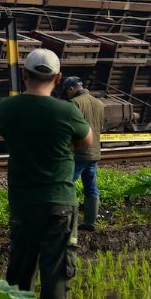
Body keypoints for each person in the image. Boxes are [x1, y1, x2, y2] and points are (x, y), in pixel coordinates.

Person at [0, 49, 92, 299]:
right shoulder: (66, 112)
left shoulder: (7, 108)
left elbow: (9, 135)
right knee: (56, 269)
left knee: (21, 268)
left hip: (23, 202)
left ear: (24, 75)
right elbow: (86, 141)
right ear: (58, 78)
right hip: (59, 202)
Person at [61, 77, 105, 231]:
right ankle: (90, 222)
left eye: (67, 92)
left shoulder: (75, 103)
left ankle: (66, 223)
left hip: (78, 153)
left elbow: (69, 129)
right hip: (94, 153)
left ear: (71, 89)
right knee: (91, 187)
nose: (67, 95)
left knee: (66, 186)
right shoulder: (99, 103)